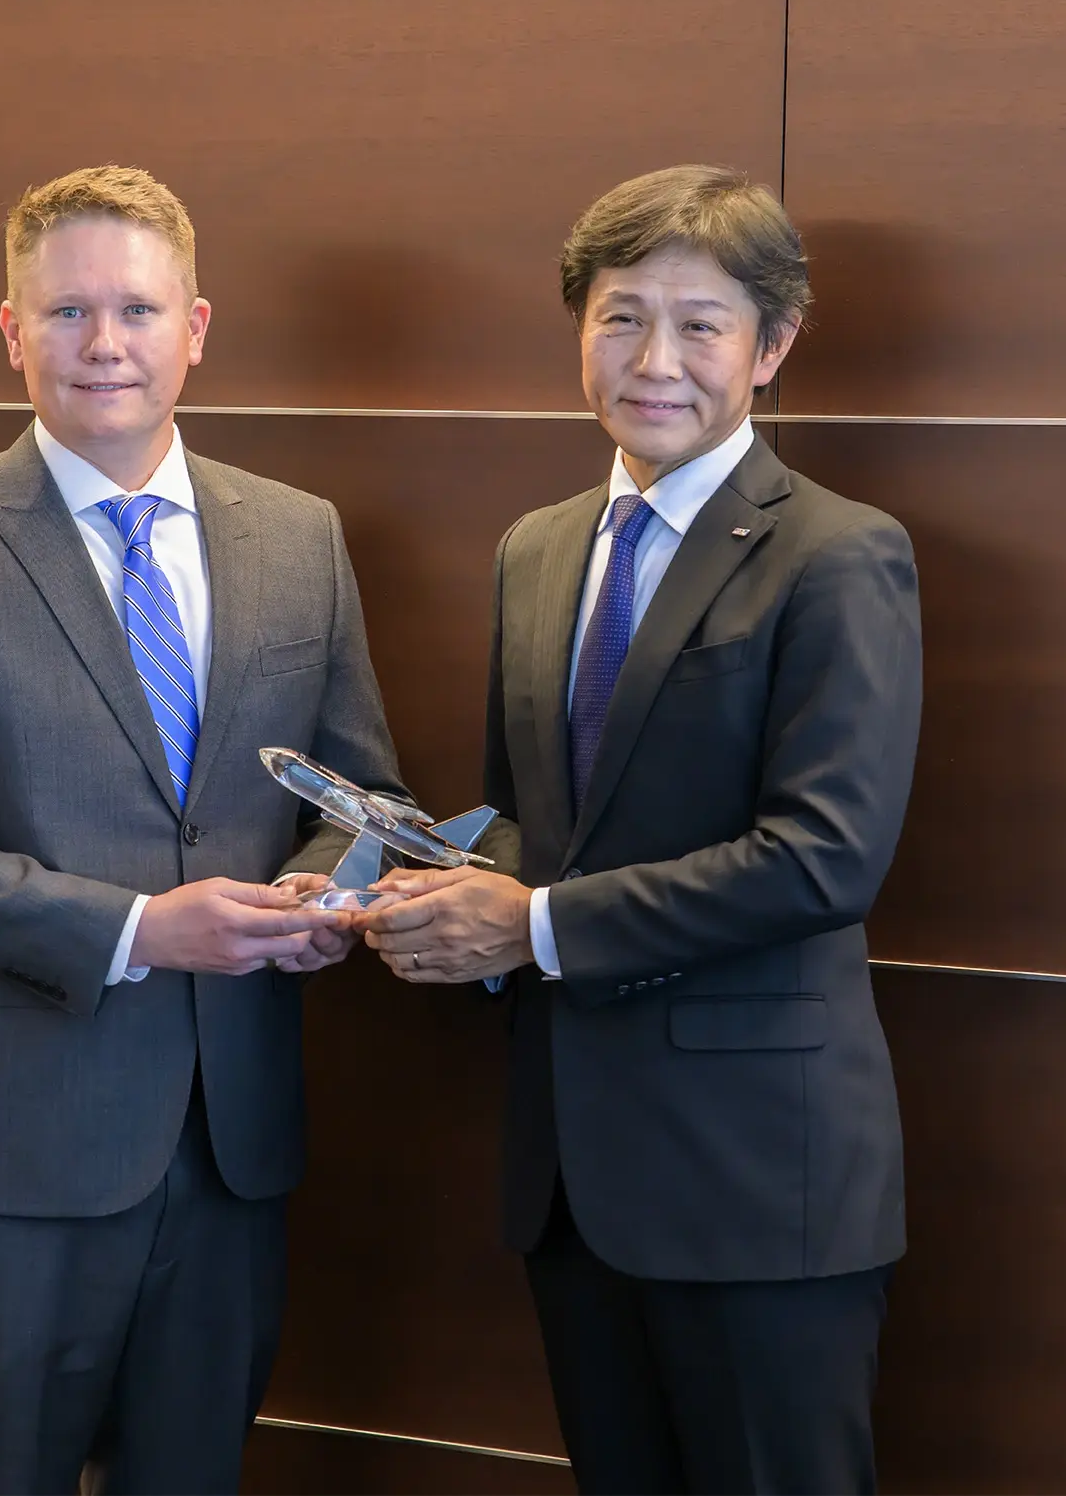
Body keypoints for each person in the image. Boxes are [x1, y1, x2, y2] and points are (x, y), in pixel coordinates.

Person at [0, 165, 400, 1494]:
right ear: (13, 332)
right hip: (11, 1143)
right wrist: (141, 929)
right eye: (67, 312)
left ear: (196, 326)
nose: (105, 344)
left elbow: (363, 799)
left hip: (230, 1143)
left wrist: (323, 901)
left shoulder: (299, 537)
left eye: (136, 308)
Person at [355, 164, 920, 1495]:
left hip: (759, 1181)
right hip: (574, 1180)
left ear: (771, 347)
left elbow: (826, 855)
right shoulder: (539, 549)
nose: (653, 360)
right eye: (620, 318)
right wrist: (416, 897)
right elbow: (525, 836)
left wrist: (534, 925)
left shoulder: (837, 555)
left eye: (700, 324)